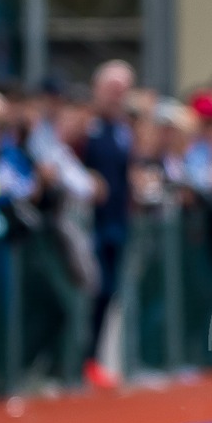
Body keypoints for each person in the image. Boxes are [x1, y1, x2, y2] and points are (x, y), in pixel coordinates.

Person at [78, 60, 135, 388]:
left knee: (108, 292)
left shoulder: (124, 130)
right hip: (87, 225)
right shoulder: (86, 126)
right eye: (112, 90)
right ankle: (78, 360)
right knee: (88, 291)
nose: (117, 97)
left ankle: (93, 360)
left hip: (117, 221)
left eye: (122, 91)